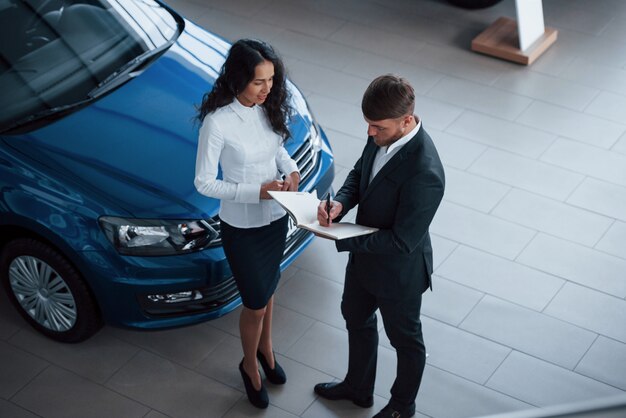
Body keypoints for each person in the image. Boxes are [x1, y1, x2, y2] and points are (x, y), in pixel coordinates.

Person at [313, 75, 445, 418]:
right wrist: (340, 204)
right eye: (368, 125)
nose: (370, 133)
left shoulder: (425, 171)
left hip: (399, 273)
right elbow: (360, 173)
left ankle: (403, 406)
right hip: (365, 261)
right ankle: (358, 388)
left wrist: (342, 235)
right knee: (355, 317)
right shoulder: (381, 132)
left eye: (377, 127)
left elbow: (402, 241)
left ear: (407, 120)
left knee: (406, 341)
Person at [194, 39, 300, 409]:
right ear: (238, 79)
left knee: (269, 290)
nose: (268, 89)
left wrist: (292, 170)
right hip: (241, 226)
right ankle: (248, 366)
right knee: (255, 303)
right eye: (259, 82)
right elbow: (204, 183)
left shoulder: (265, 107)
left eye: (271, 80)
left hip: (273, 220)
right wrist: (257, 191)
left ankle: (266, 352)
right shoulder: (217, 123)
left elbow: (277, 149)